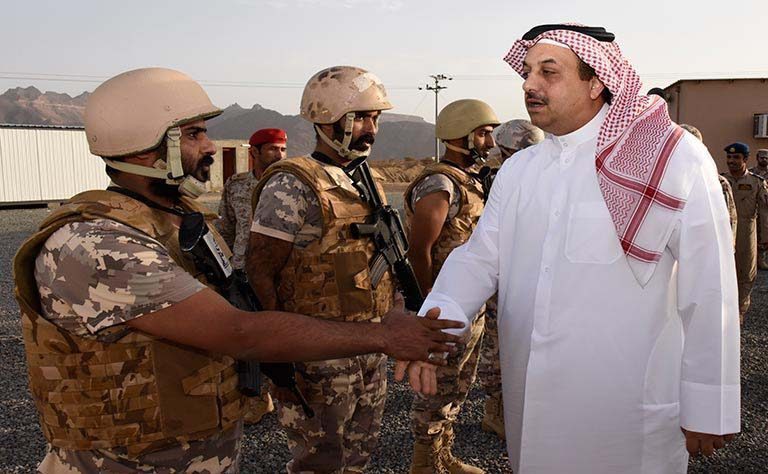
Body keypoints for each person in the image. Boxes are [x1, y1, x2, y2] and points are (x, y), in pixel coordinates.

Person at [13, 67, 463, 474]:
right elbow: (238, 330)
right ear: (148, 146)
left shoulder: (178, 219)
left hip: (189, 446)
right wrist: (385, 336)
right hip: (123, 460)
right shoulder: (98, 245)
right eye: (193, 135)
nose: (211, 146)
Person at [410, 24, 741, 473]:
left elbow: (710, 286)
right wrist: (434, 326)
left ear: (596, 81)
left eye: (549, 72)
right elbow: (478, 259)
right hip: (531, 405)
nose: (529, 84)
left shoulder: (673, 159)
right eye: (527, 72)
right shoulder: (520, 170)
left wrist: (709, 404)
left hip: (626, 412)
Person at [246, 65, 430, 473]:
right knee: (320, 460)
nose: (372, 128)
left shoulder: (369, 180)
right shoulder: (292, 184)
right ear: (328, 118)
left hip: (367, 344)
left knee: (358, 455)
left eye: (375, 118)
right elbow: (260, 269)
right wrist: (279, 350)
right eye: (361, 117)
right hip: (318, 353)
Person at [402, 99, 498, 473]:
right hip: (446, 306)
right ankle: (425, 460)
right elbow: (419, 249)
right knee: (437, 385)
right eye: (484, 133)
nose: (490, 142)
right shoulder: (440, 184)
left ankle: (443, 453)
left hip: (468, 304)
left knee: (459, 383)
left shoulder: (468, 180)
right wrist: (430, 303)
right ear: (461, 135)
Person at [475, 118, 545, 442]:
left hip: (530, 275)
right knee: (498, 342)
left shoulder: (543, 177)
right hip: (502, 275)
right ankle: (495, 409)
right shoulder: (494, 180)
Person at [216, 127, 287, 424]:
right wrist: (225, 266)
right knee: (248, 336)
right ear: (254, 152)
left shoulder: (291, 182)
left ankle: (285, 389)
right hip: (243, 270)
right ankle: (258, 399)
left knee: (282, 331)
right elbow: (226, 228)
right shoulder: (236, 185)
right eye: (272, 149)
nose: (279, 155)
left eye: (283, 150)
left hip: (283, 270)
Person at [721, 142, 768, 320]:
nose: (731, 161)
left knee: (745, 272)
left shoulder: (756, 182)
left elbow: (764, 212)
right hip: (724, 231)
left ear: (745, 159)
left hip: (746, 233)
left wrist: (765, 237)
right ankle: (723, 311)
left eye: (736, 157)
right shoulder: (720, 180)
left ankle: (739, 313)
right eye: (729, 157)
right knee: (724, 271)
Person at [679, 124, 737, 246]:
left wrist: (727, 248)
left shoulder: (718, 182)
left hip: (705, 247)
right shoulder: (670, 179)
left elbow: (728, 221)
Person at [749, 148, 768, 269]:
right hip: (754, 207)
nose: (764, 160)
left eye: (767, 158)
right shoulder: (751, 172)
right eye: (762, 157)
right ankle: (755, 259)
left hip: (766, 208)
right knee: (754, 232)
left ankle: (762, 258)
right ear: (757, 158)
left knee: (765, 233)